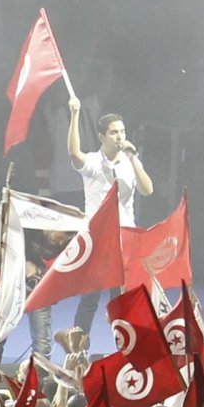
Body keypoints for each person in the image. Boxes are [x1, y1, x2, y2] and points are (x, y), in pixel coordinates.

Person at [59, 100, 152, 348]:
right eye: (114, 132)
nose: (120, 136)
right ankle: (76, 353)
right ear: (102, 137)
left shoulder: (129, 161)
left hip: (124, 240)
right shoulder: (93, 163)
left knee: (123, 300)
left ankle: (127, 353)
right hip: (100, 241)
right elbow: (73, 153)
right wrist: (76, 114)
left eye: (122, 131)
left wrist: (133, 158)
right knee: (90, 300)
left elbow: (147, 189)